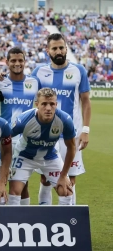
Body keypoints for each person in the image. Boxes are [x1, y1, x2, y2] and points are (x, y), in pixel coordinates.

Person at [32, 33, 91, 205]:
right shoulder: (39, 72)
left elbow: (86, 101)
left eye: (61, 47)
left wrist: (86, 130)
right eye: (54, 48)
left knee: (69, 181)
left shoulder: (78, 70)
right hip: (46, 135)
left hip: (71, 135)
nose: (58, 51)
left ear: (66, 48)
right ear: (48, 51)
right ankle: (45, 217)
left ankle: (69, 221)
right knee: (45, 179)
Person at [8, 88, 76, 205]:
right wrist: (5, 166)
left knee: (66, 191)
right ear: (37, 104)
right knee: (14, 192)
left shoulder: (65, 120)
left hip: (50, 158)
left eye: (52, 104)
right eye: (44, 104)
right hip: (24, 157)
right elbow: (5, 139)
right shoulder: (24, 120)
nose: (48, 108)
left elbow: (72, 147)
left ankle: (62, 222)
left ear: (56, 104)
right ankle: (18, 221)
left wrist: (64, 175)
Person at [0, 47, 41, 205]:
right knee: (0, 179)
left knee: (22, 183)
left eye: (20, 60)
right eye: (13, 60)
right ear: (7, 62)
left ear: (25, 62)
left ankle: (24, 218)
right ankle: (0, 218)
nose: (17, 63)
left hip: (25, 140)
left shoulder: (34, 83)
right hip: (4, 139)